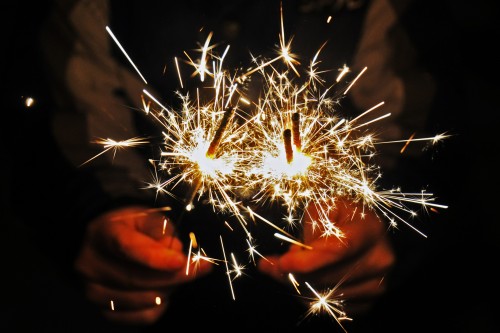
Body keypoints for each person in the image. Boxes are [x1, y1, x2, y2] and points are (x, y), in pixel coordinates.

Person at [6, 0, 493, 332]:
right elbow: (47, 122)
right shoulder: (90, 12)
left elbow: (437, 129)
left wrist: (385, 229)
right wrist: (96, 214)